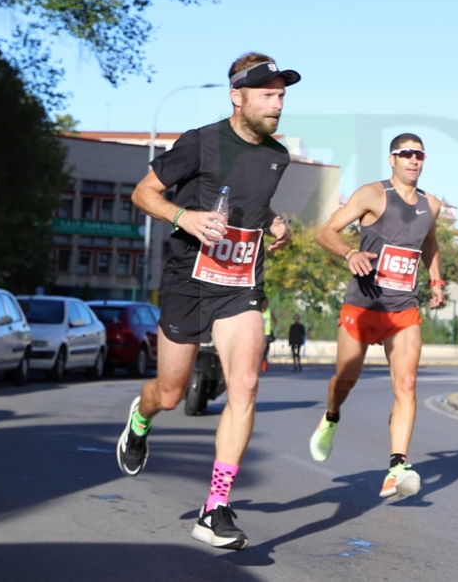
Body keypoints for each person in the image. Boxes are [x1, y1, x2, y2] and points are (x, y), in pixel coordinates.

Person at [116, 52, 299, 551]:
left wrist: (274, 222)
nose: (277, 103)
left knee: (245, 385)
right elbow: (144, 193)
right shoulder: (200, 142)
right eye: (267, 93)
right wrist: (185, 218)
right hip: (188, 283)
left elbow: (250, 204)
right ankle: (141, 417)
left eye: (282, 94)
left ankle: (214, 507)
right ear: (237, 96)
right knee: (171, 394)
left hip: (240, 287)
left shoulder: (277, 156)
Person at [309, 133, 445, 500]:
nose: (413, 161)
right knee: (345, 381)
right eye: (406, 154)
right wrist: (349, 253)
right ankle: (332, 415)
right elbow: (325, 232)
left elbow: (429, 243)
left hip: (403, 308)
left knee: (406, 385)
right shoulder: (372, 195)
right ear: (392, 159)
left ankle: (397, 466)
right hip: (363, 304)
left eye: (419, 155)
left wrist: (436, 280)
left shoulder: (431, 204)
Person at [261, 298, 274, 372]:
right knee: (260, 350)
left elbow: (275, 320)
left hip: (267, 334)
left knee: (264, 350)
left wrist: (272, 327)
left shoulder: (269, 312)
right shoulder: (258, 312)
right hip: (259, 333)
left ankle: (264, 365)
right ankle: (262, 363)